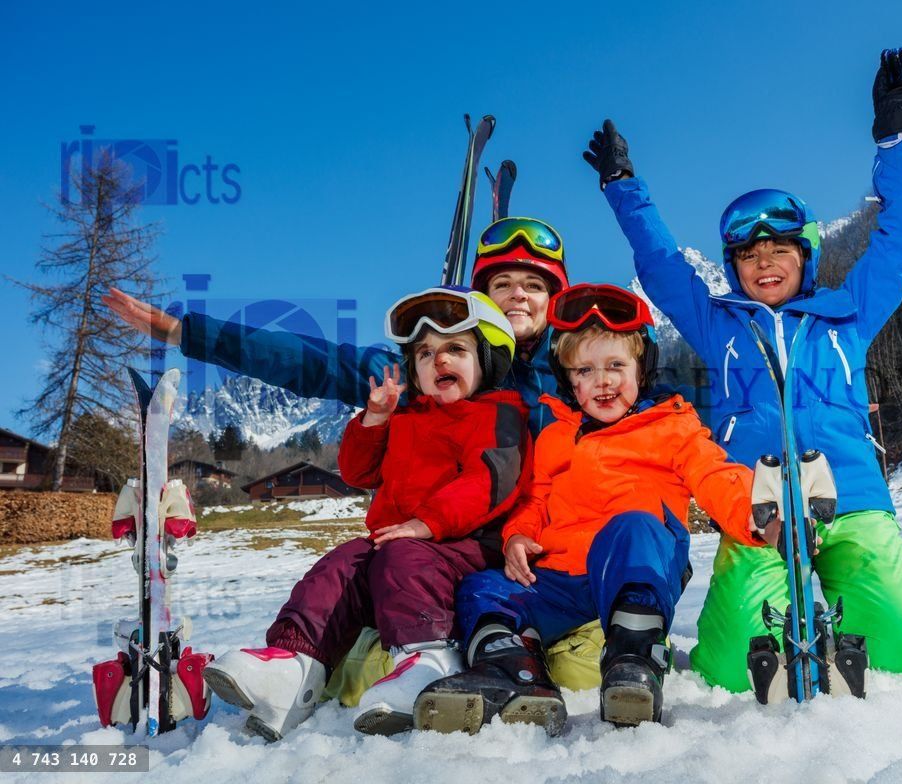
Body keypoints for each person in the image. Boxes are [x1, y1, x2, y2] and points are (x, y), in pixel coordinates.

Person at [581, 48, 902, 695]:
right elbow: (663, 266)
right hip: (754, 507)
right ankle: (781, 623)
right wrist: (624, 188)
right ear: (733, 268)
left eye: (779, 249)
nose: (765, 263)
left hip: (853, 500)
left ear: (805, 254)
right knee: (730, 667)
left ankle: (856, 617)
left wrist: (897, 133)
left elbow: (901, 243)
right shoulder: (719, 324)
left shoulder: (849, 313)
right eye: (749, 255)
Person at [415, 284, 766, 735]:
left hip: (635, 567)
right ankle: (513, 671)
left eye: (616, 365)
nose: (602, 380)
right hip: (561, 575)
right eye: (585, 369)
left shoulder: (672, 425)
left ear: (642, 370)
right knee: (483, 588)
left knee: (634, 526)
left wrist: (755, 509)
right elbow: (535, 499)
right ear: (568, 380)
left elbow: (716, 475)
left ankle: (633, 660)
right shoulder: (556, 435)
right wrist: (518, 536)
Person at [201, 288, 531, 740]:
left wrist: (426, 524)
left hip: (466, 547)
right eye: (425, 353)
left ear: (487, 360)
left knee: (403, 557)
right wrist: (375, 420)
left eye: (456, 349)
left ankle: (426, 660)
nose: (439, 360)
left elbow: (488, 481)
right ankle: (295, 666)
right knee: (341, 563)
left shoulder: (499, 414)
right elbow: (358, 472)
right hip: (399, 546)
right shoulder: (408, 415)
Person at [101, 216, 570, 436]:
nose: (518, 295)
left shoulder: (582, 367)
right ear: (481, 301)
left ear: (554, 299)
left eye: (534, 285)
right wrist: (187, 334)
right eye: (502, 283)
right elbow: (314, 362)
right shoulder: (437, 366)